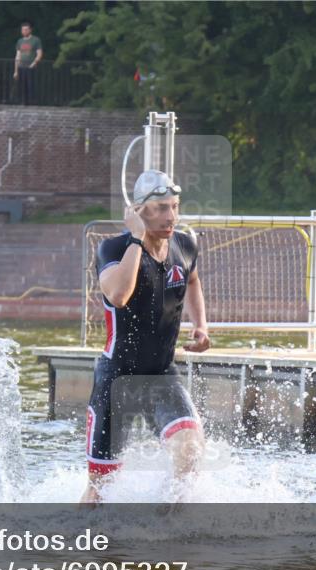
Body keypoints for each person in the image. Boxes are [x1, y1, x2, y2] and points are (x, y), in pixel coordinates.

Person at [79, 170, 211, 505]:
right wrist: (137, 240)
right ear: (140, 211)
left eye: (175, 207)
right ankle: (76, 545)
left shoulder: (184, 245)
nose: (172, 216)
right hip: (117, 378)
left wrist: (201, 325)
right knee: (100, 489)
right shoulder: (113, 248)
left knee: (191, 451)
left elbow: (192, 280)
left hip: (161, 375)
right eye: (162, 208)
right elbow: (119, 295)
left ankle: (165, 531)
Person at [13, 21, 42, 105]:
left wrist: (34, 63)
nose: (24, 31)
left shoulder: (35, 40)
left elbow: (39, 53)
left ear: (30, 30)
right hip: (21, 66)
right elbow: (17, 55)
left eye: (26, 30)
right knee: (22, 85)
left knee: (31, 85)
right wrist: (15, 70)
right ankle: (23, 102)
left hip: (31, 66)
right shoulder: (20, 41)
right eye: (23, 30)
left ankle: (32, 102)